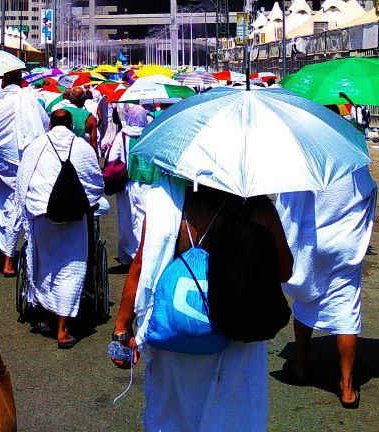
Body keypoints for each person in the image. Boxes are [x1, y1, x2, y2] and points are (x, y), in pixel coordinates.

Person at [112, 176, 292, 432]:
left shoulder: (170, 202)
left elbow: (142, 265)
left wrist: (122, 328)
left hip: (174, 333)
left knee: (171, 413)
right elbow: (284, 271)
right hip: (237, 335)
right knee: (231, 414)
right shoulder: (257, 208)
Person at [276, 165, 377, 408]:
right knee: (346, 310)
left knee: (306, 299)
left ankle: (300, 365)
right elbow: (369, 189)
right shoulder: (352, 156)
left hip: (314, 240)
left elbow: (289, 201)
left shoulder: (305, 158)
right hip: (345, 242)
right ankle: (347, 388)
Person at [16, 107, 104, 347]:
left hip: (41, 213)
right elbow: (96, 184)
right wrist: (85, 201)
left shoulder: (36, 146)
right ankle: (63, 330)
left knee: (45, 264)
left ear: (50, 125)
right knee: (70, 268)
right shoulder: (83, 147)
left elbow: (22, 181)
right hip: (74, 216)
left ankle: (46, 316)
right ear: (71, 125)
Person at [0, 68, 49, 276]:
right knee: (16, 207)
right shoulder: (30, 99)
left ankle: (4, 254)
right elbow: (44, 124)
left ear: (5, 80)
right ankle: (5, 255)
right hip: (23, 161)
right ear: (21, 80)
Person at [104, 103, 147, 264]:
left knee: (127, 218)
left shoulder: (123, 135)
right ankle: (143, 252)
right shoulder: (150, 133)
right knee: (143, 217)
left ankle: (129, 255)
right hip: (146, 183)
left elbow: (111, 158)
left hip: (126, 184)